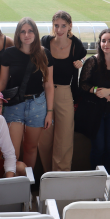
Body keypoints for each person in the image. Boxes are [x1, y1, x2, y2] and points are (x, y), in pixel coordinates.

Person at [0, 17, 54, 172]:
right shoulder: (9, 54)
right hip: (14, 105)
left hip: (37, 105)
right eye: (23, 31)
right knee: (12, 152)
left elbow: (48, 85)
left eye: (30, 31)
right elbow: (2, 81)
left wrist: (49, 112)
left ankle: (27, 184)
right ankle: (13, 186)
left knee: (30, 148)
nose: (26, 35)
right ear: (18, 34)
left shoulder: (44, 53)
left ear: (35, 33)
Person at [38, 11, 87, 172]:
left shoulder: (76, 45)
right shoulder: (45, 41)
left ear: (70, 26)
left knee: (64, 139)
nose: (59, 29)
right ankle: (48, 175)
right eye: (56, 25)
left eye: (63, 26)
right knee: (44, 139)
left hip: (65, 94)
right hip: (44, 94)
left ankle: (61, 177)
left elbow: (85, 56)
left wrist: (81, 61)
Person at [78, 29, 110, 174]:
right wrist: (97, 90)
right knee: (98, 147)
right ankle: (95, 177)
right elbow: (82, 84)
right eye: (103, 41)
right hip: (95, 111)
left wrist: (109, 91)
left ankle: (107, 179)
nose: (106, 44)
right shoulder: (92, 62)